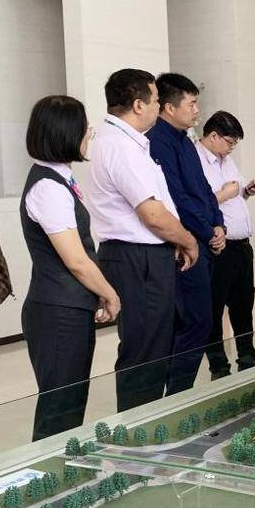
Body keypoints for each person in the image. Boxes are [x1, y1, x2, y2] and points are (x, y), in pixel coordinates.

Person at [86, 69, 198, 412]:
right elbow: (152, 214)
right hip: (137, 258)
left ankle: (145, 420)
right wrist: (189, 241)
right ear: (138, 105)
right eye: (156, 101)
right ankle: (138, 430)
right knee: (144, 350)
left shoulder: (124, 141)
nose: (159, 108)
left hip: (142, 255)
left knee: (152, 345)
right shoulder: (121, 146)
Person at [19, 95, 121, 441]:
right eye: (84, 127)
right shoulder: (48, 187)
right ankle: (46, 469)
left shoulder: (59, 179)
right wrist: (109, 294)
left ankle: (63, 466)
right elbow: (76, 260)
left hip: (67, 307)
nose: (88, 133)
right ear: (65, 132)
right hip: (57, 312)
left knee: (70, 403)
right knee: (59, 410)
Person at [149, 72, 225, 393]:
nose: (197, 111)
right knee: (196, 322)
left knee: (198, 321)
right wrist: (207, 232)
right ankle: (177, 395)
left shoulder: (186, 141)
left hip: (204, 241)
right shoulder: (158, 142)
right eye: (192, 104)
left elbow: (204, 190)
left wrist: (219, 225)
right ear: (169, 107)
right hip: (186, 245)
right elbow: (177, 198)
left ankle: (179, 392)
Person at [197, 111, 255, 379]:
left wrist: (246, 191)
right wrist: (226, 193)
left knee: (243, 305)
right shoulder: (196, 161)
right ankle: (219, 365)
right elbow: (198, 204)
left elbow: (235, 196)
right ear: (213, 136)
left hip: (241, 246)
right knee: (213, 309)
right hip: (217, 248)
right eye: (229, 142)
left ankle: (247, 355)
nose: (231, 148)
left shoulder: (226, 160)